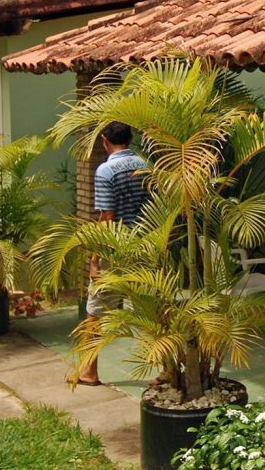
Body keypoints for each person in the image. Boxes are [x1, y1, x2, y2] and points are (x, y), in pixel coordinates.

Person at [77, 121, 148, 386]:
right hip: (145, 246)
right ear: (129, 140)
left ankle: (89, 371)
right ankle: (165, 371)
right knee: (149, 309)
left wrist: (95, 260)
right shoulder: (145, 165)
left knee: (95, 310)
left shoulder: (105, 170)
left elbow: (106, 216)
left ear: (105, 141)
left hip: (116, 250)